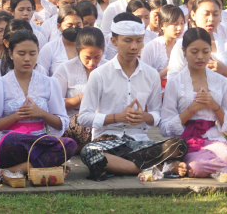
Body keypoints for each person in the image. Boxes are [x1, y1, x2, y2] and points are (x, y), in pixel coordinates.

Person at [78, 14, 187, 181]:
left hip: (139, 141)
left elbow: (157, 115)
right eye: (128, 41)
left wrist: (145, 117)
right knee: (90, 152)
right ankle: (157, 167)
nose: (134, 47)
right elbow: (84, 117)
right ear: (114, 41)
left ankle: (123, 166)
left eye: (139, 40)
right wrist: (116, 117)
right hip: (108, 140)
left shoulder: (151, 75)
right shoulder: (99, 74)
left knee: (179, 145)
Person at [0, 30, 76, 174]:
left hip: (39, 142)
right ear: (10, 54)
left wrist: (42, 114)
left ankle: (11, 171)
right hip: (11, 145)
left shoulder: (50, 83)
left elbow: (61, 122)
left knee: (69, 145)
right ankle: (45, 166)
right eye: (21, 54)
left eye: (32, 54)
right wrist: (16, 117)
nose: (27, 59)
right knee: (13, 139)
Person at [160, 28, 227, 178]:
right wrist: (192, 109)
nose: (200, 57)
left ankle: (214, 164)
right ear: (183, 51)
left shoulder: (223, 82)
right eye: (194, 52)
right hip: (187, 140)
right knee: (197, 167)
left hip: (214, 137)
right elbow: (165, 128)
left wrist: (215, 106)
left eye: (205, 51)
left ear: (211, 50)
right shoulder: (175, 83)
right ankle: (211, 167)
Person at [167, 0, 227, 97]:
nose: (211, 19)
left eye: (216, 14)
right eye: (206, 14)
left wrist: (226, 71)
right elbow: (172, 82)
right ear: (193, 15)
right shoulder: (181, 44)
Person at [54, 27, 104, 151]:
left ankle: (82, 148)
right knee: (82, 120)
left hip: (102, 121)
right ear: (78, 51)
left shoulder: (109, 68)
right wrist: (85, 96)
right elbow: (56, 105)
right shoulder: (65, 69)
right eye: (87, 57)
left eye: (97, 57)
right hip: (74, 125)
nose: (92, 62)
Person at [141, 5, 186, 82]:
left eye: (182, 23)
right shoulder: (151, 47)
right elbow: (144, 79)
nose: (180, 28)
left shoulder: (184, 45)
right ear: (162, 25)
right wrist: (166, 70)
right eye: (175, 24)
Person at [36, 6, 84, 77]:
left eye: (78, 25)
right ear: (59, 26)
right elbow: (41, 76)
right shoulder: (50, 48)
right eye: (69, 26)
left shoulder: (88, 47)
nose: (74, 29)